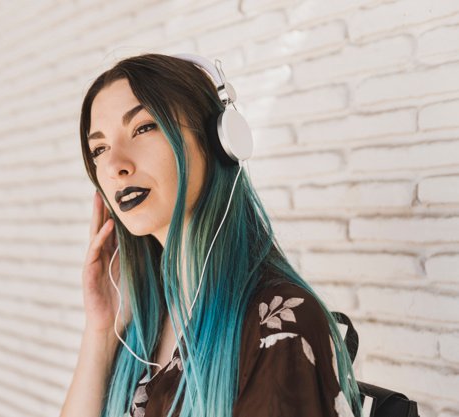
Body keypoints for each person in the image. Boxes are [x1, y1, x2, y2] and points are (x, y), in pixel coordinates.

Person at [60, 54, 363, 417]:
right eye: (99, 149)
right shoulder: (143, 326)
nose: (114, 166)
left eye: (143, 128)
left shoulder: (278, 325)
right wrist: (102, 332)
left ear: (219, 140)